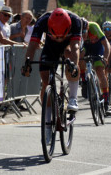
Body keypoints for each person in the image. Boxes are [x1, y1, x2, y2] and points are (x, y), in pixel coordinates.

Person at [22, 8, 81, 144]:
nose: (59, 39)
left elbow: (76, 47)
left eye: (61, 36)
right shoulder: (42, 21)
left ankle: (72, 98)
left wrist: (74, 65)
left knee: (71, 61)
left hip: (69, 46)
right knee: (45, 78)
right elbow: (32, 45)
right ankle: (47, 123)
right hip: (50, 47)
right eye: (56, 36)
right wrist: (27, 62)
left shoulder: (76, 21)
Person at [78, 19, 110, 113]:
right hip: (86, 47)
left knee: (100, 71)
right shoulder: (76, 28)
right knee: (81, 57)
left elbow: (106, 44)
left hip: (98, 47)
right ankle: (84, 81)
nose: (83, 34)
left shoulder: (93, 27)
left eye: (84, 32)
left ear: (88, 28)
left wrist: (105, 58)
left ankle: (106, 102)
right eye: (81, 32)